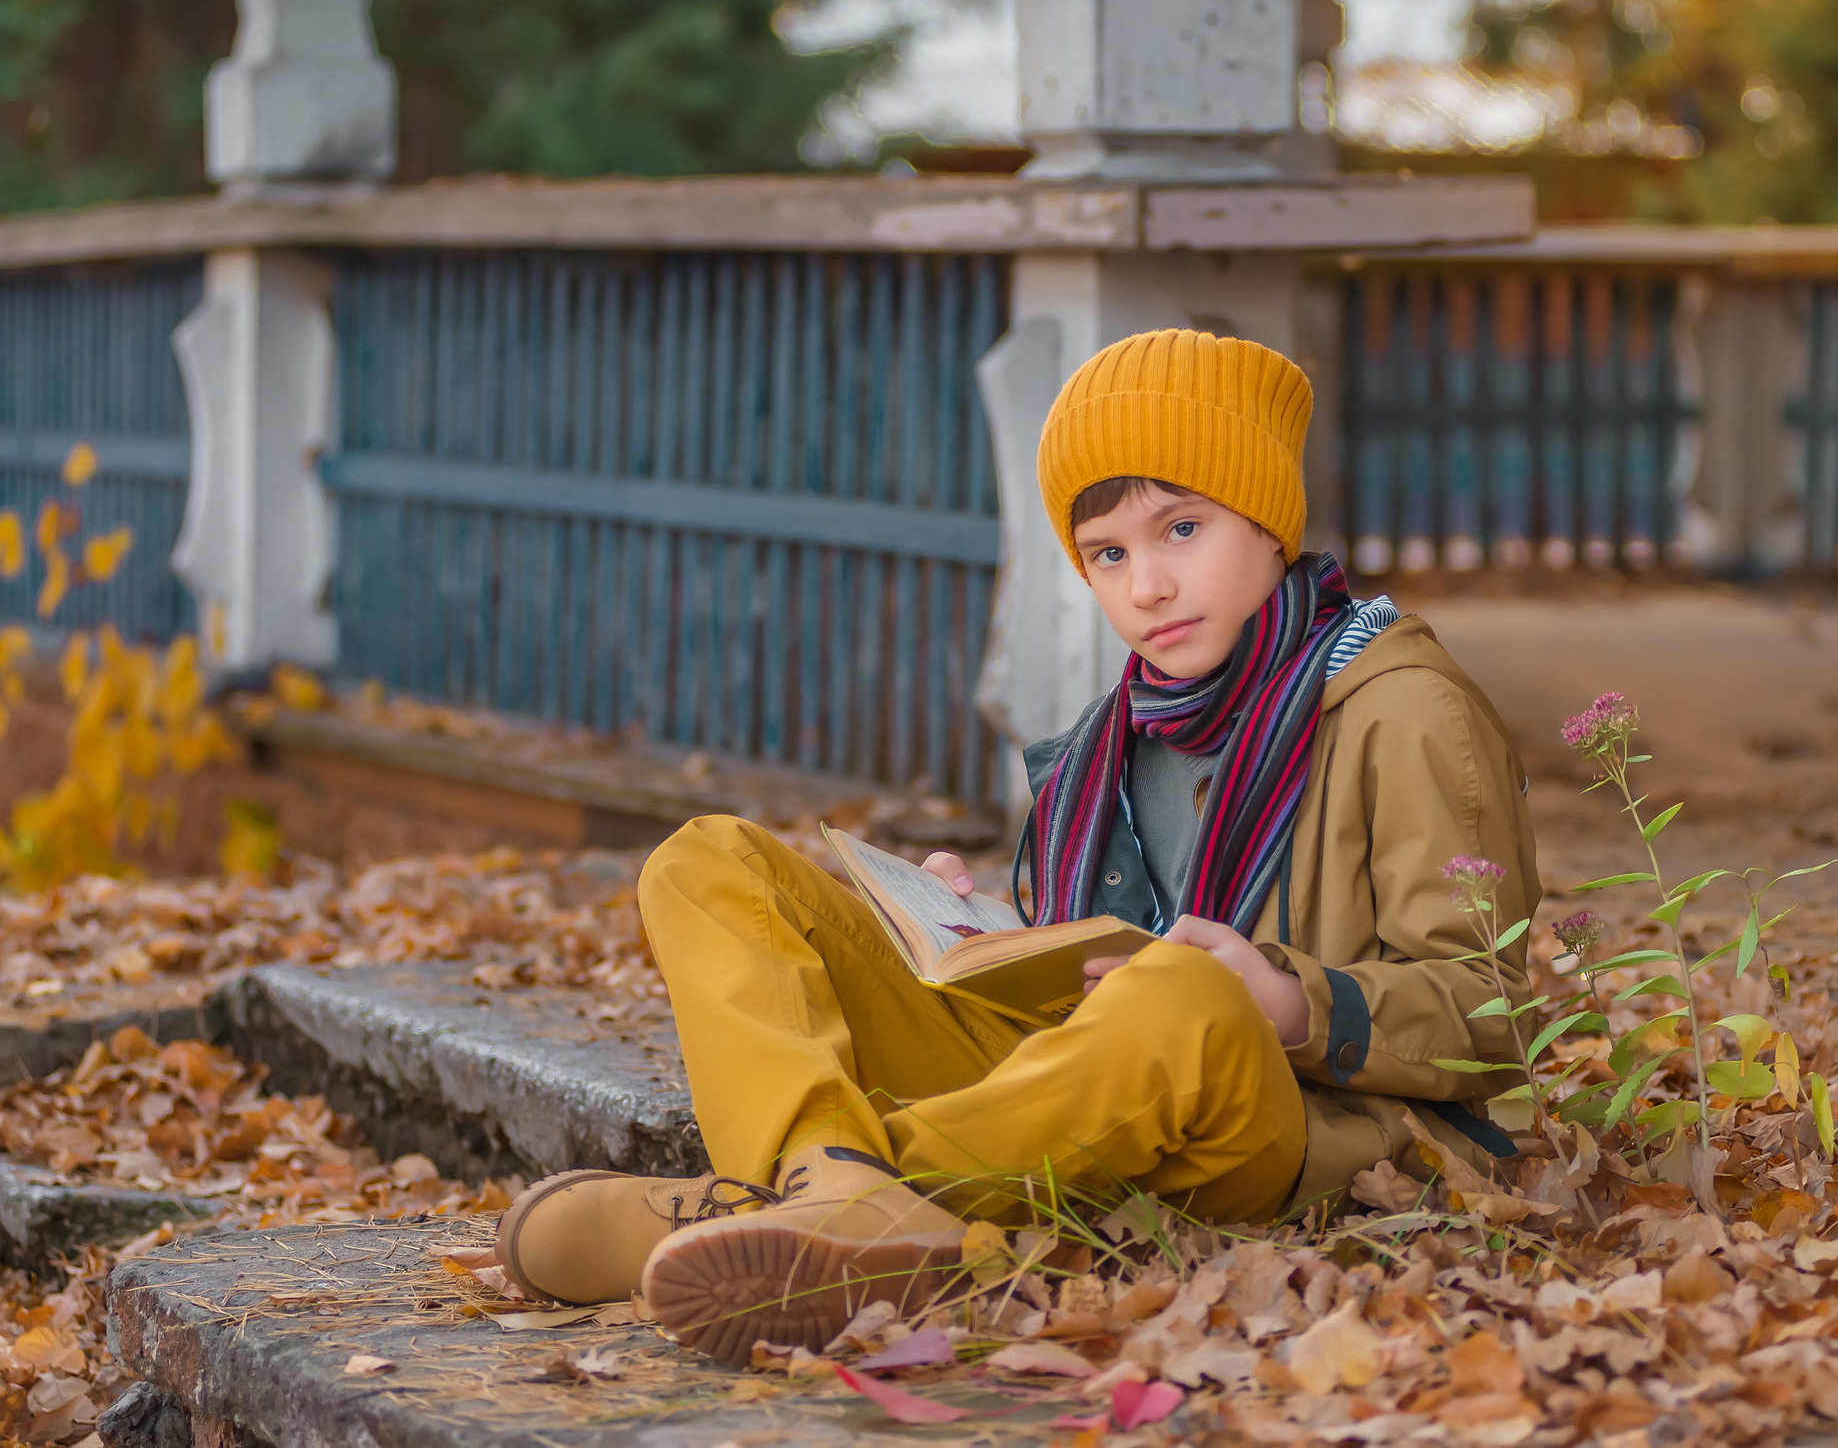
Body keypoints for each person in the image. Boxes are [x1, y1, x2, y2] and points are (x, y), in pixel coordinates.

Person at [490, 328, 1542, 1366]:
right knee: (706, 859)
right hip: (1095, 1093)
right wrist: (975, 930)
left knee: (1181, 990)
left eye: (1182, 529)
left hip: (1295, 1124)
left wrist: (1289, 998)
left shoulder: (1403, 710)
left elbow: (1486, 1007)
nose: (1147, 586)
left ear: (1268, 522)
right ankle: (830, 1185)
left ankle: (790, 1205)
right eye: (1108, 553)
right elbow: (1078, 988)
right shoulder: (1100, 747)